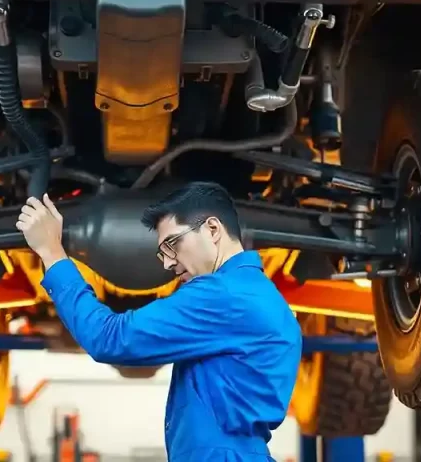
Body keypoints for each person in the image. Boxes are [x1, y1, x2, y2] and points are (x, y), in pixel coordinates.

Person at [16, 181, 303, 461]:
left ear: (212, 230)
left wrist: (52, 252)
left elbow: (110, 339)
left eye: (172, 244)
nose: (168, 263)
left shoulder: (224, 295)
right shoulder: (256, 294)